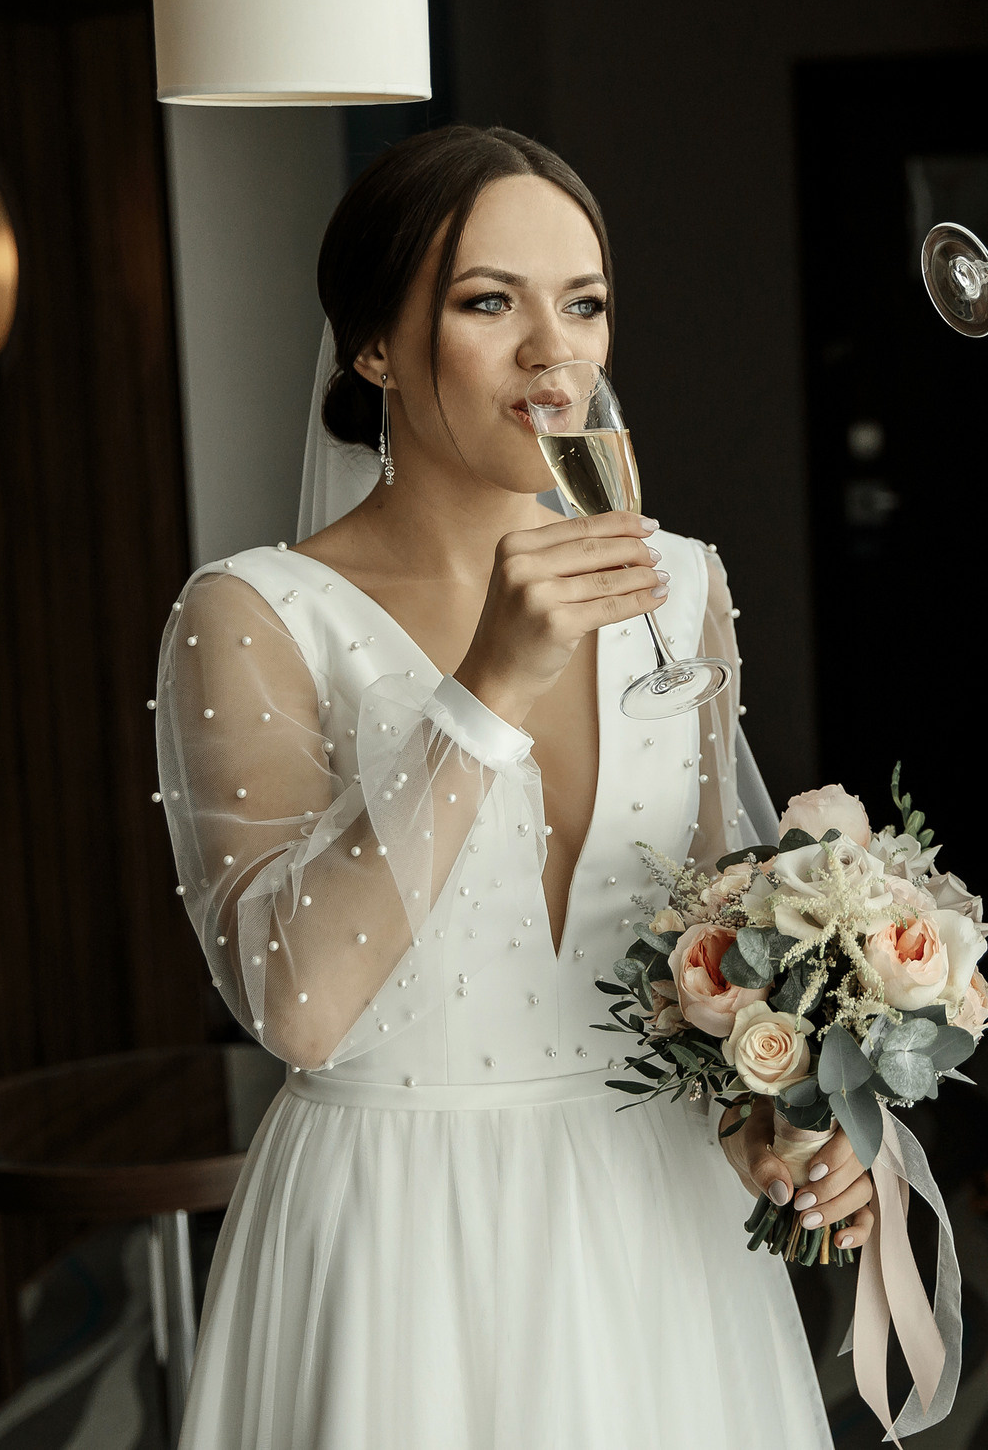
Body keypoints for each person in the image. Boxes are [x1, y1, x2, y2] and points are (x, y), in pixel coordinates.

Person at [154, 125, 860, 1449]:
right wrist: (488, 687)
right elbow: (296, 1008)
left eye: (583, 306)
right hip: (396, 1242)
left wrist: (773, 1120)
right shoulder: (251, 613)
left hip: (659, 1242)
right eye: (490, 304)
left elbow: (704, 964)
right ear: (375, 347)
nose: (556, 355)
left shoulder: (681, 588)